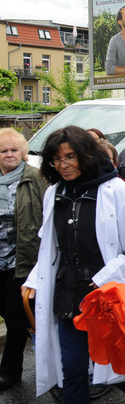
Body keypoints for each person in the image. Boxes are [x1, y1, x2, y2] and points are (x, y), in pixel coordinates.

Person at [21, 126, 125, 403]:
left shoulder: (116, 191)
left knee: (118, 368)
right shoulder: (54, 193)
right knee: (72, 369)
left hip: (103, 297)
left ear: (86, 155)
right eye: (56, 159)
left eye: (70, 157)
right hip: (67, 295)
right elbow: (50, 248)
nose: (63, 165)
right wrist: (35, 279)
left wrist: (105, 276)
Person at [0, 129, 46, 391]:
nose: (9, 154)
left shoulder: (36, 178)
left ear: (23, 152)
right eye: (3, 151)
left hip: (22, 262)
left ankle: (10, 372)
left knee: (16, 319)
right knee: (9, 314)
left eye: (14, 150)